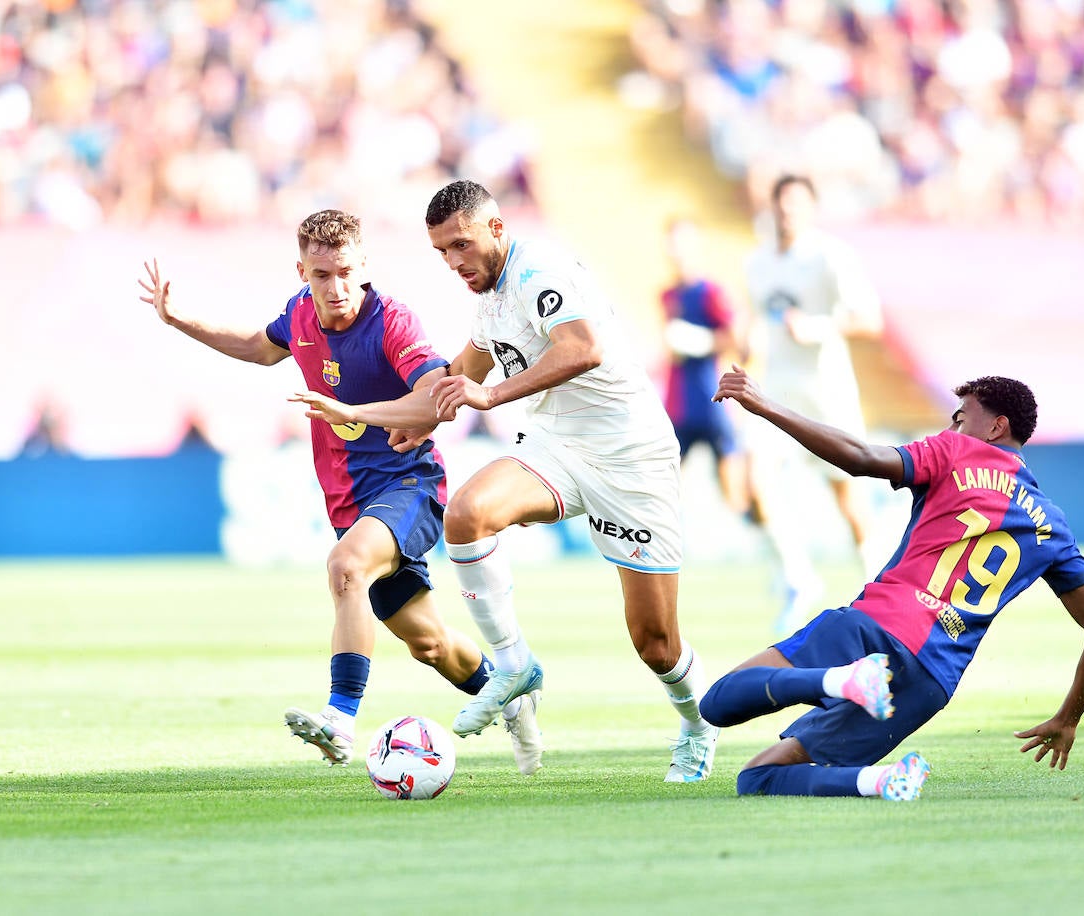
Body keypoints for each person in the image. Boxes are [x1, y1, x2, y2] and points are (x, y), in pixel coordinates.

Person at [292, 180, 721, 782]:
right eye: (443, 252)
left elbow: (583, 347)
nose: (454, 263)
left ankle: (698, 727)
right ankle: (514, 664)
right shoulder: (490, 301)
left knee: (655, 642)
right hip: (557, 449)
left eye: (462, 245)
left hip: (630, 457)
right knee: (466, 513)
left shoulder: (536, 271)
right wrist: (411, 420)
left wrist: (489, 395)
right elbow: (452, 378)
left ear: (496, 228)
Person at [137, 209, 543, 774]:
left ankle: (339, 720)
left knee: (346, 566)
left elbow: (434, 400)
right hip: (351, 503)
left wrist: (351, 412)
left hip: (410, 485)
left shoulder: (392, 323)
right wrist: (181, 320)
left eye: (347, 272)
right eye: (322, 275)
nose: (336, 287)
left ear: (364, 265)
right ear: (302, 271)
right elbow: (260, 346)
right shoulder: (300, 315)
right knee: (428, 644)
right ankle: (513, 696)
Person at [699, 367, 1084, 800]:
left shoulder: (957, 452)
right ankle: (880, 780)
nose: (950, 426)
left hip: (878, 625)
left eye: (960, 417)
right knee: (758, 779)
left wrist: (764, 405)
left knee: (717, 703)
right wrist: (1069, 718)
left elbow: (860, 457)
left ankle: (838, 681)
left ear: (997, 427)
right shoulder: (1052, 525)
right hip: (930, 680)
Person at [744, 173, 886, 634]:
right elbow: (759, 321)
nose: (788, 214)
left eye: (797, 206)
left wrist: (819, 325)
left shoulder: (830, 256)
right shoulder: (758, 261)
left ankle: (880, 590)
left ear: (810, 209)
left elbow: (870, 319)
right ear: (773, 208)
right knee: (757, 481)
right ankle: (798, 579)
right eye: (782, 205)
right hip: (778, 392)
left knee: (848, 496)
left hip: (826, 392)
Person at [659, 216, 751, 515]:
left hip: (713, 402)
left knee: (734, 492)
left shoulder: (712, 292)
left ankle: (767, 547)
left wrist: (698, 341)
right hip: (678, 404)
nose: (676, 250)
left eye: (682, 242)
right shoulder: (668, 295)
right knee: (662, 487)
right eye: (672, 243)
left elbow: (737, 342)